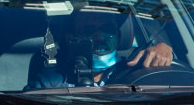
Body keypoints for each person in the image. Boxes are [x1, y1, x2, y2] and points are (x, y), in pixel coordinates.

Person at [26, 11, 173, 89]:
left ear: (119, 34)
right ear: (70, 38)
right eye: (89, 30)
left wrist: (164, 50)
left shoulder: (140, 70)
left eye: (107, 29)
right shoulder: (51, 81)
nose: (100, 36)